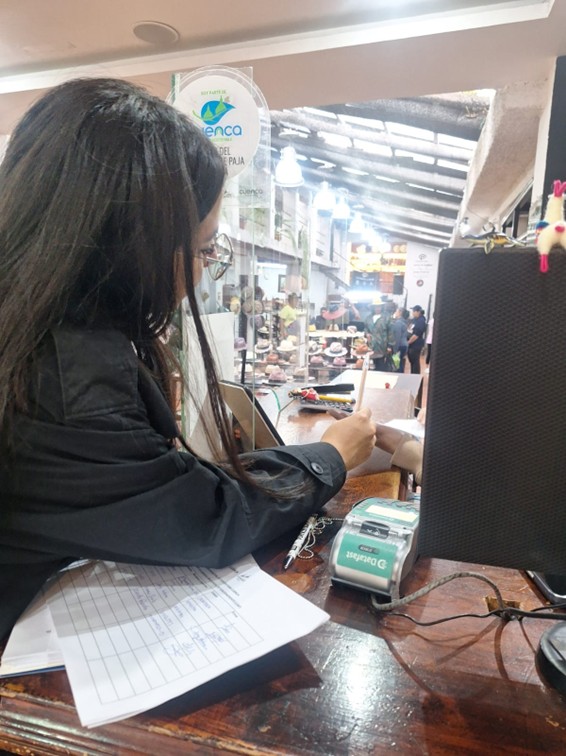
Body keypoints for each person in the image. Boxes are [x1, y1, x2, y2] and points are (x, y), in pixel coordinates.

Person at [0, 78, 377, 642]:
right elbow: (204, 518)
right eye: (203, 249)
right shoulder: (67, 375)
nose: (202, 271)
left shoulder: (40, 334)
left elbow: (152, 481)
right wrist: (332, 455)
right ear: (131, 247)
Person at [365, 300, 396, 371]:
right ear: (373, 307)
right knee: (371, 367)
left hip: (382, 347)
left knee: (381, 367)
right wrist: (366, 334)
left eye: (379, 306)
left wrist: (389, 346)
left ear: (382, 307)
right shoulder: (368, 318)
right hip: (371, 347)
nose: (377, 308)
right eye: (375, 307)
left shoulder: (387, 318)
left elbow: (390, 332)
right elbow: (366, 328)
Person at [407, 305, 427, 374]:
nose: (412, 313)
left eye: (414, 311)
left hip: (416, 344)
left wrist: (408, 342)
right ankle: (412, 375)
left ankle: (416, 376)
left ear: (418, 312)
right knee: (412, 362)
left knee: (415, 362)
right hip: (411, 344)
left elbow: (416, 335)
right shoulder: (415, 320)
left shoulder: (421, 321)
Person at [391, 307, 409, 373]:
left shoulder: (398, 323)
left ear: (400, 312)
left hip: (399, 345)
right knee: (400, 362)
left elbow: (397, 336)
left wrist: (395, 349)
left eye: (396, 311)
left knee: (397, 364)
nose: (395, 312)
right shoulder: (404, 322)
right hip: (404, 345)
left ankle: (399, 376)